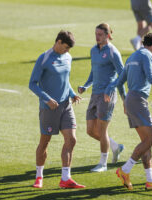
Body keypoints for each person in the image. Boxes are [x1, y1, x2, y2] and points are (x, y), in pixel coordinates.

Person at [104, 33, 152, 190]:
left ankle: (150, 180)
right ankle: (125, 170)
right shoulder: (147, 55)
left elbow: (119, 82)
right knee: (151, 140)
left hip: (132, 99)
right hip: (138, 100)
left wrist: (125, 101)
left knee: (146, 143)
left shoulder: (132, 56)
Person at [29, 30, 85, 188]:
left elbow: (65, 80)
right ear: (58, 42)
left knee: (72, 139)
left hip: (65, 105)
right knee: (45, 142)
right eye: (66, 47)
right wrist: (46, 99)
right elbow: (32, 84)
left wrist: (72, 94)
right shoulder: (44, 58)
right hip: (49, 108)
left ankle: (65, 178)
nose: (67, 51)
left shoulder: (68, 57)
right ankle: (39, 176)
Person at [78, 23, 126, 172]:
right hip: (95, 94)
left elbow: (123, 75)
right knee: (90, 130)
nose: (97, 37)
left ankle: (103, 164)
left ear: (107, 35)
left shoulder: (113, 52)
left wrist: (124, 99)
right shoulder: (93, 50)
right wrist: (86, 85)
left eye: (100, 34)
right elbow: (94, 72)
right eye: (96, 34)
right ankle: (115, 146)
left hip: (107, 96)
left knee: (102, 129)